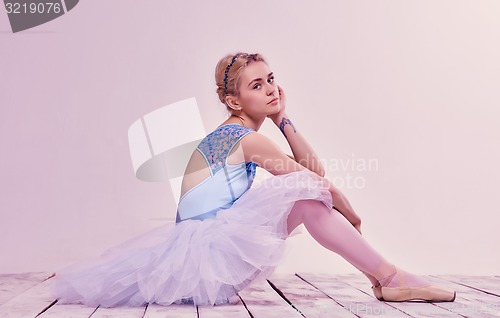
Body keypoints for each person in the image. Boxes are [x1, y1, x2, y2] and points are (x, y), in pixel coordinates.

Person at [53, 52, 456, 307]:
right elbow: (317, 182)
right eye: (256, 85)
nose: (270, 89)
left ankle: (384, 279)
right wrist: (349, 210)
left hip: (203, 260)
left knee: (305, 194)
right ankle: (391, 277)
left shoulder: (236, 134)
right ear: (233, 100)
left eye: (271, 79)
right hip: (208, 262)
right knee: (306, 198)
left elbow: (312, 173)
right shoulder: (245, 140)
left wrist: (283, 120)